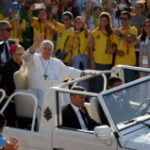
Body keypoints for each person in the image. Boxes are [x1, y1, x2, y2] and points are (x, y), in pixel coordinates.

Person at [90, 12, 117, 92]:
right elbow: (91, 48)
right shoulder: (94, 32)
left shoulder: (112, 33)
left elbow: (114, 45)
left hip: (106, 62)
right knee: (95, 84)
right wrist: (92, 61)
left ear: (108, 22)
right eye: (101, 20)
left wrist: (113, 49)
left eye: (105, 20)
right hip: (96, 61)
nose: (103, 22)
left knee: (103, 85)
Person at [114, 11, 138, 83]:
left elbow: (132, 39)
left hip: (129, 63)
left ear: (129, 20)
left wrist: (121, 35)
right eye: (121, 18)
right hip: (118, 63)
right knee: (119, 86)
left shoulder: (133, 29)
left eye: (125, 19)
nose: (122, 20)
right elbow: (113, 46)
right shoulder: (117, 30)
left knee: (130, 86)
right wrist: (117, 51)